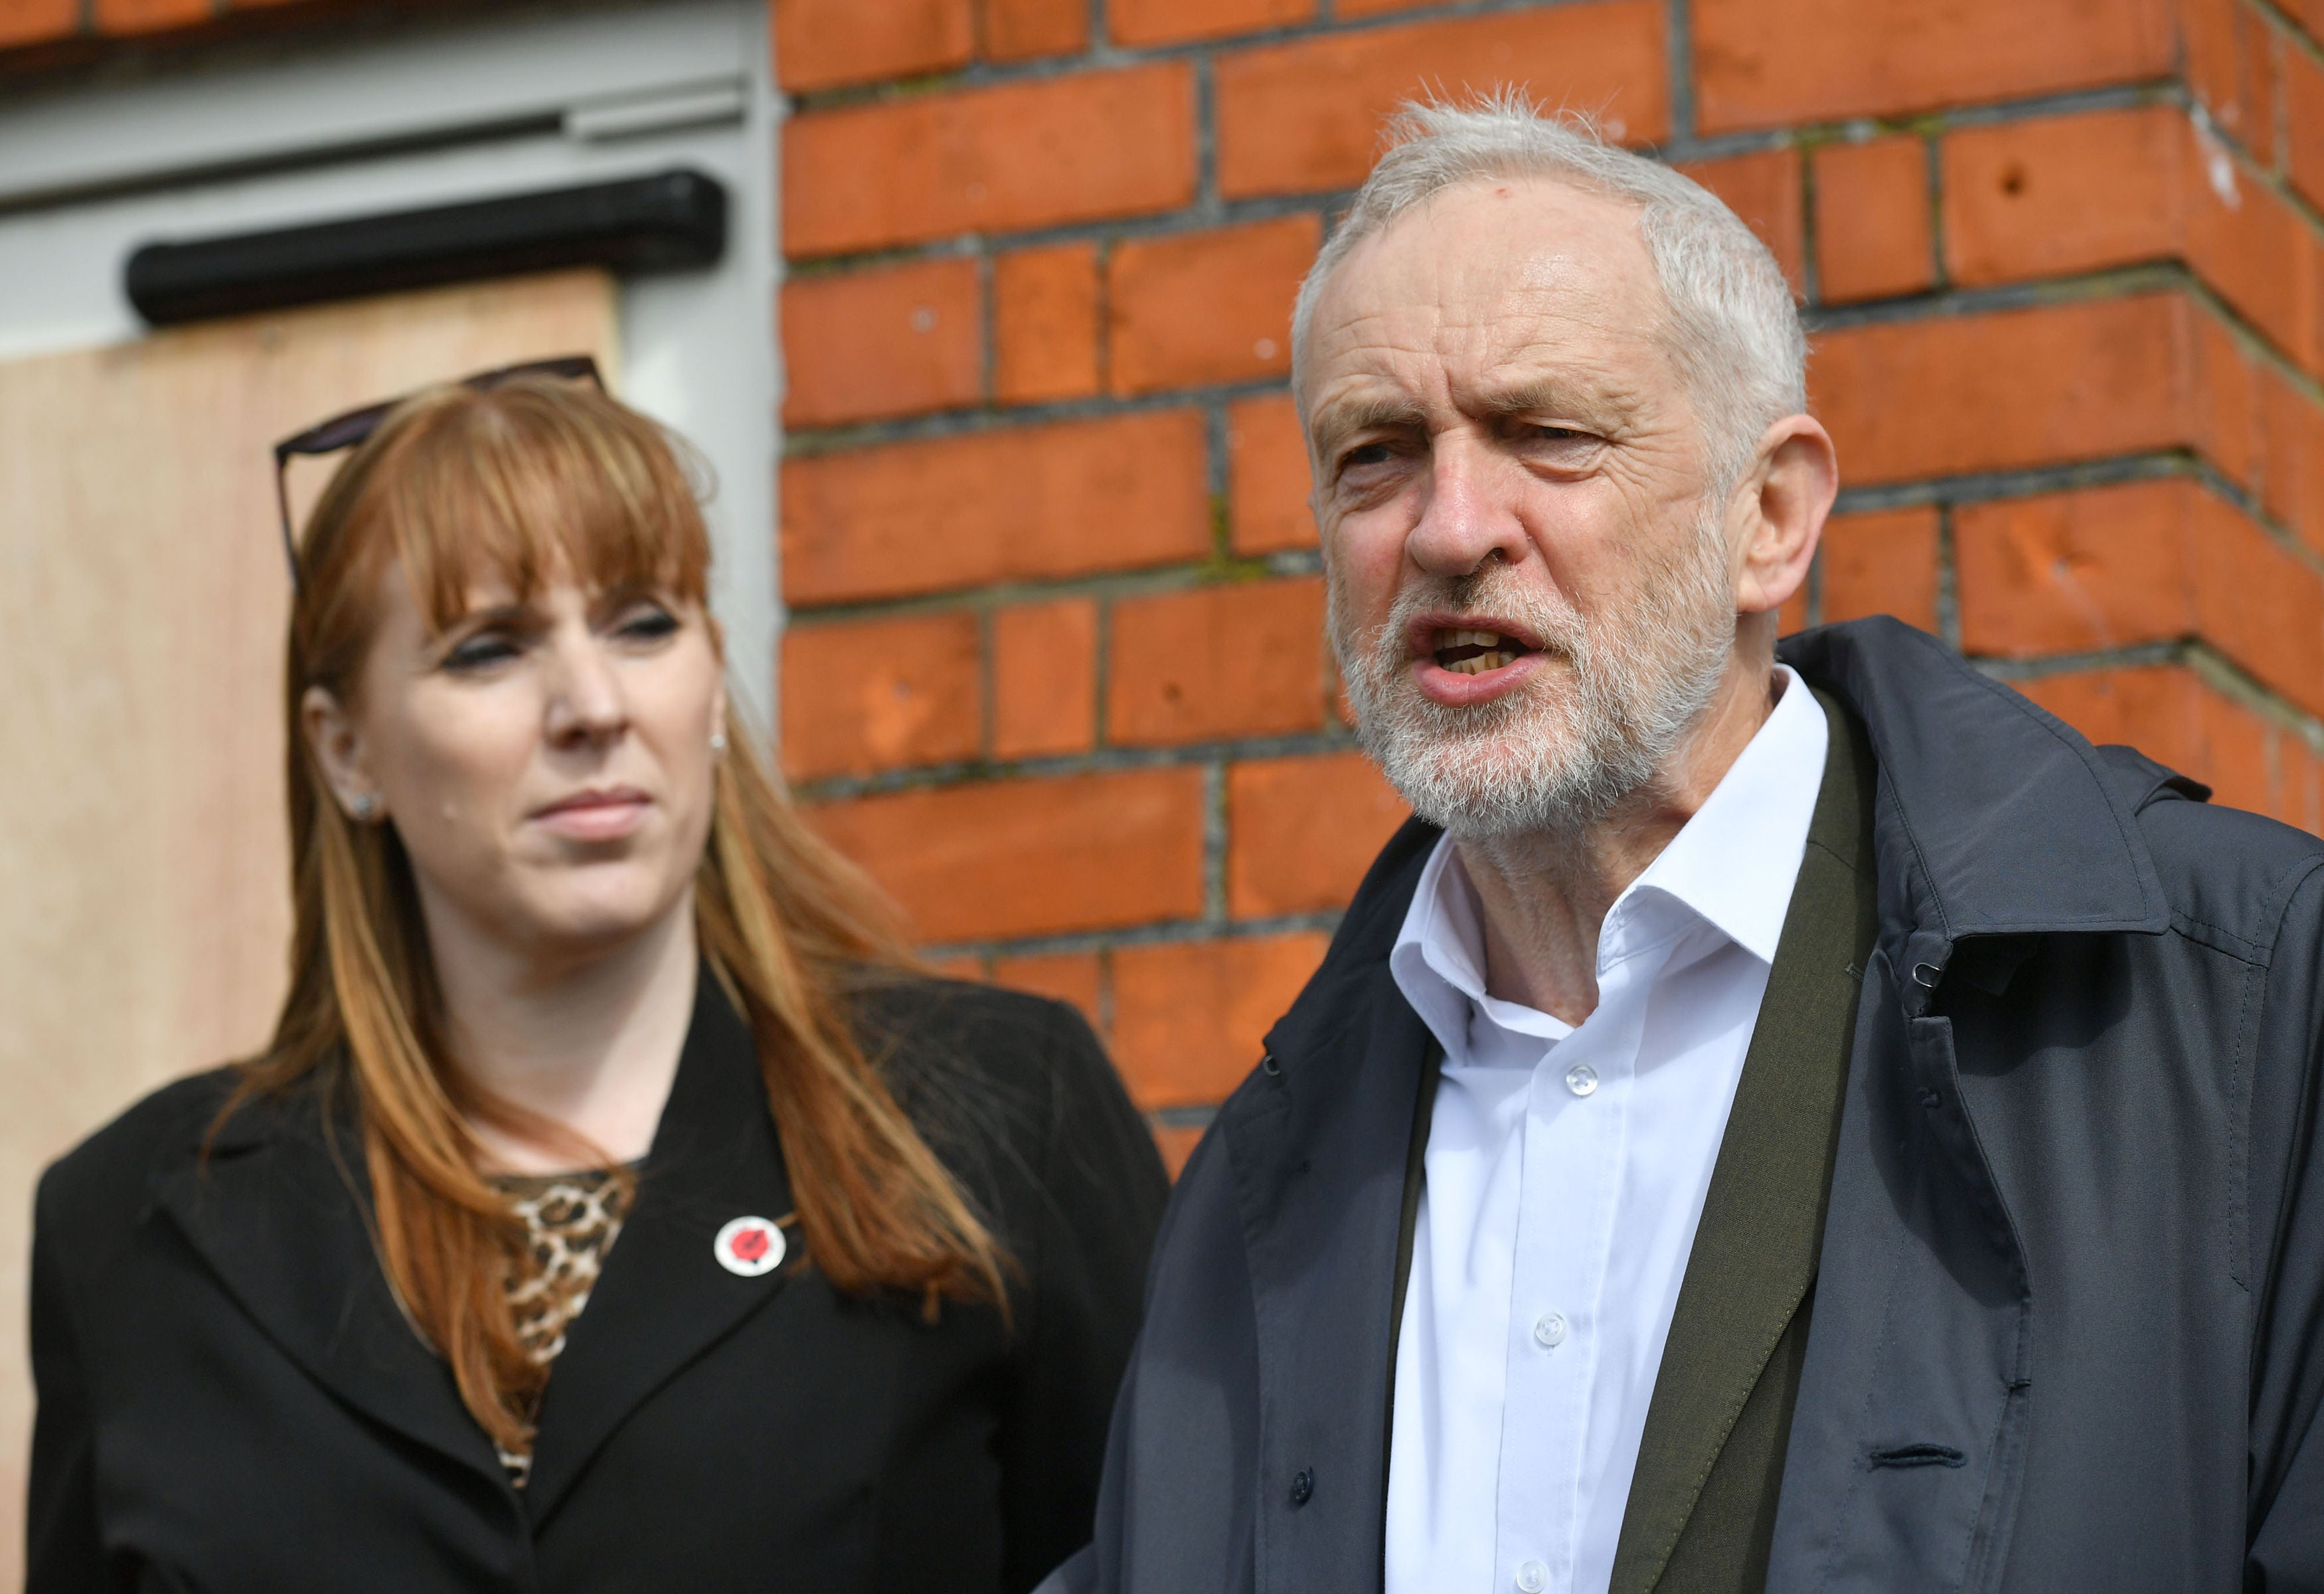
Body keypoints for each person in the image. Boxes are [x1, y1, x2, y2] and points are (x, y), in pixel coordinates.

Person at [1045, 96, 2324, 1594]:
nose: (1450, 529)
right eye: (1374, 455)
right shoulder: (1263, 1181)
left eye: (1549, 436)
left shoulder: (2233, 1012)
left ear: (1767, 517)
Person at [28, 364, 1168, 1594]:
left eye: (642, 625)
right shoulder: (134, 1226)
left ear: (711, 679)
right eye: (489, 650)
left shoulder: (997, 1113)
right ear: (346, 749)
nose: (592, 706)